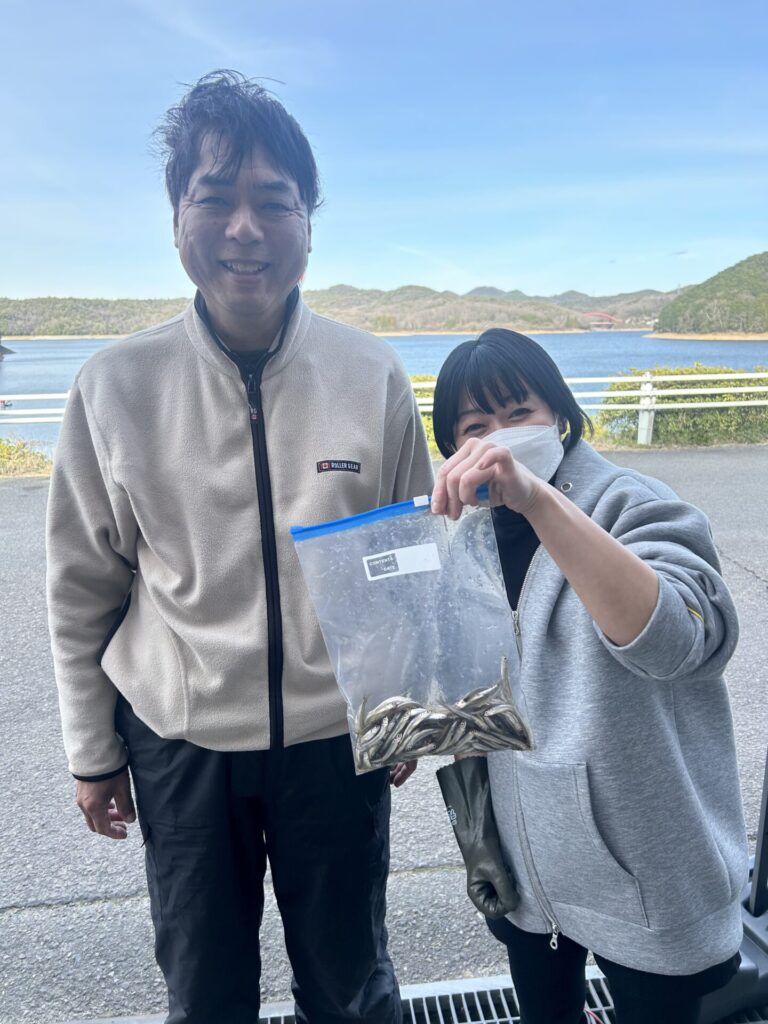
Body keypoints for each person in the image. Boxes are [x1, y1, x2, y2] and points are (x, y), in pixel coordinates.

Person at [46, 70, 433, 1024]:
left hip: (333, 744)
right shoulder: (115, 384)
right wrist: (92, 754)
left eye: (274, 201)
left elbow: (406, 552)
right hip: (180, 745)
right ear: (177, 218)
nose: (245, 228)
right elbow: (82, 587)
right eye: (214, 198)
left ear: (309, 223)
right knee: (205, 993)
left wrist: (406, 711)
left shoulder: (370, 371)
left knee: (350, 988)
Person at [429, 328, 748, 1024]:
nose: (499, 441)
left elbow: (678, 642)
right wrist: (417, 737)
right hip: (528, 876)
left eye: (519, 413)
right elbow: (471, 689)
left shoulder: (633, 503)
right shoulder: (471, 538)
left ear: (560, 414)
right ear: (452, 447)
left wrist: (537, 501)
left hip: (649, 883)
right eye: (475, 427)